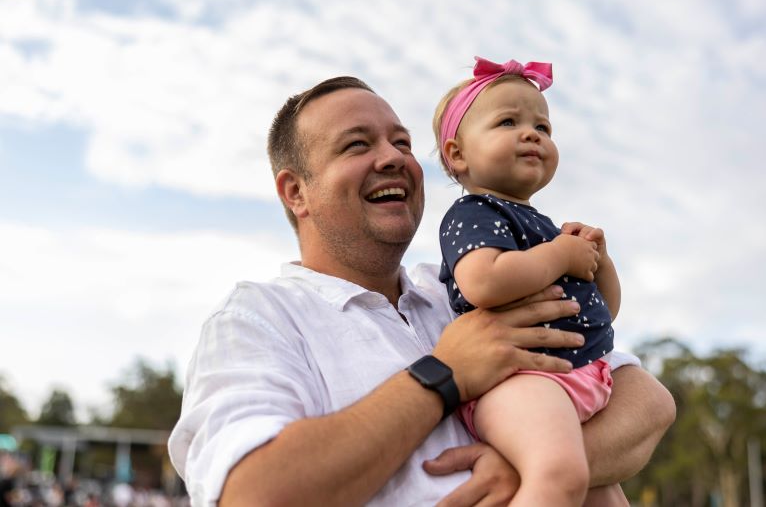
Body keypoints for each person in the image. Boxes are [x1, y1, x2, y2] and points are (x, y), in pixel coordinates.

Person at [167, 75, 676, 507]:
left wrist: (523, 464)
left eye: (403, 143)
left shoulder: (459, 289)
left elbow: (643, 401)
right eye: (357, 144)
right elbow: (254, 494)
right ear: (296, 191)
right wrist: (443, 375)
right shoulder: (258, 317)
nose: (393, 158)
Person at [434, 56, 632, 506]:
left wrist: (600, 261)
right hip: (521, 381)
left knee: (605, 495)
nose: (531, 134)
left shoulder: (542, 226)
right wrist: (560, 254)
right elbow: (483, 282)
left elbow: (604, 312)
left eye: (543, 128)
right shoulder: (474, 215)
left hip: (576, 376)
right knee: (559, 474)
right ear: (458, 155)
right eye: (508, 121)